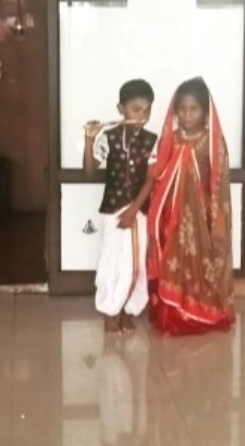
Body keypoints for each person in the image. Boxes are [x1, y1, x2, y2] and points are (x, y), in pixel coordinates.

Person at [146, 77, 234, 335]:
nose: (187, 115)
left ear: (205, 111)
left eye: (193, 109)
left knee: (200, 264)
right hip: (172, 215)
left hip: (201, 217)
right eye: (182, 110)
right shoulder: (171, 139)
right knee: (173, 262)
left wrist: (217, 219)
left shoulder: (212, 142)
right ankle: (173, 314)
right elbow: (158, 174)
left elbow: (220, 181)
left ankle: (202, 312)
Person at [84, 79, 157, 333]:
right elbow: (89, 171)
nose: (142, 115)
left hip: (138, 211)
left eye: (147, 109)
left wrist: (133, 211)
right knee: (111, 260)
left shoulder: (152, 140)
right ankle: (108, 310)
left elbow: (150, 179)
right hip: (112, 210)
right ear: (120, 109)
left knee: (136, 262)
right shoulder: (109, 137)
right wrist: (89, 139)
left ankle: (128, 310)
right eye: (136, 109)